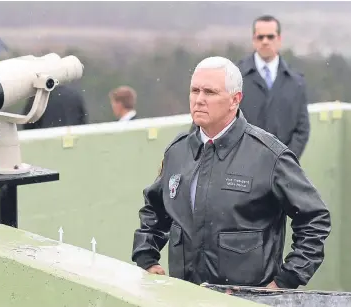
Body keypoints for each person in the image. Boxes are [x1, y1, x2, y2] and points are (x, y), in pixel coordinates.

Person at [131, 56, 331, 289]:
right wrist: (146, 255)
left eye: (210, 92)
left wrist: (286, 280)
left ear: (235, 100)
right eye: (194, 91)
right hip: (185, 296)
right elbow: (155, 208)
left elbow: (314, 218)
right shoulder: (178, 151)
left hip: (246, 299)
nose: (199, 100)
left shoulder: (269, 155)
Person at [237, 15, 310, 159]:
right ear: (254, 40)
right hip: (242, 167)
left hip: (282, 171)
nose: (265, 41)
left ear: (279, 39)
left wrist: (285, 161)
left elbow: (302, 130)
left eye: (270, 37)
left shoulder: (296, 82)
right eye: (260, 37)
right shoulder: (236, 77)